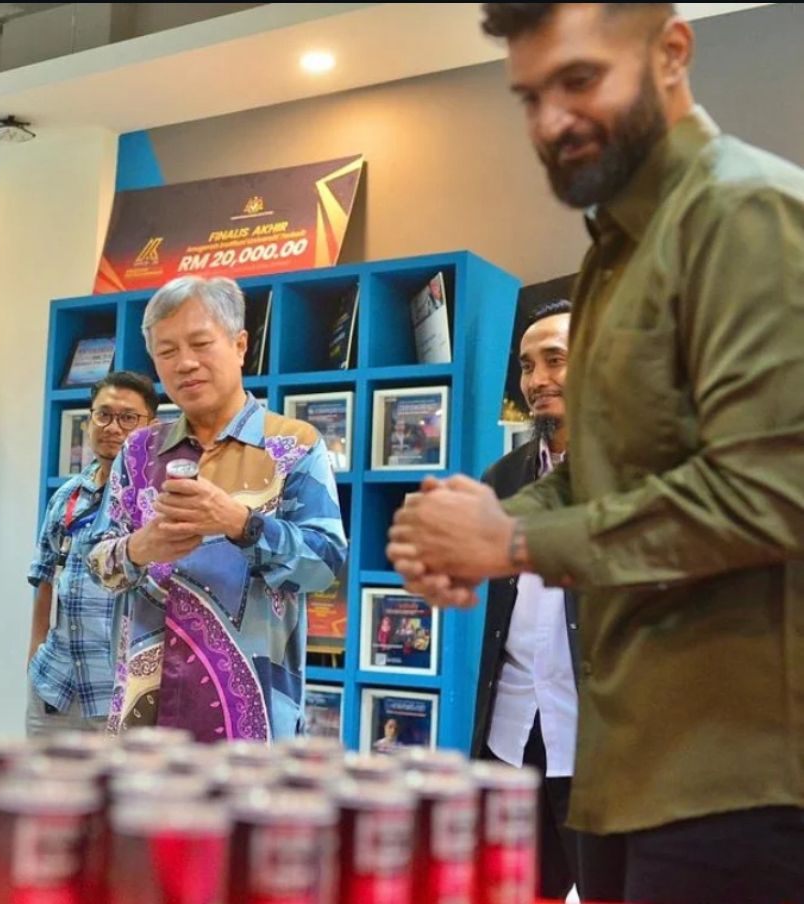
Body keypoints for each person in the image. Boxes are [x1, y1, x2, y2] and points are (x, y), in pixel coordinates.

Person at [388, 4, 804, 901]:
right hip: (628, 768)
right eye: (529, 96)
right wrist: (483, 523)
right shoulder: (616, 254)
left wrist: (514, 546)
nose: (549, 122)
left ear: (672, 52)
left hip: (741, 778)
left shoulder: (744, 213)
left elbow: (771, 493)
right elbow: (599, 468)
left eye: (579, 81)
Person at [86, 276, 347, 741]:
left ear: (240, 344)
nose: (185, 363)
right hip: (144, 717)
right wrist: (142, 547)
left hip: (252, 728)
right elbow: (98, 566)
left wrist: (240, 524)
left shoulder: (294, 446)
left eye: (201, 343)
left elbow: (325, 567)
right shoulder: (139, 452)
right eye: (167, 352)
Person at [470, 299, 614, 900]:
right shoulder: (501, 479)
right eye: (528, 366)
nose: (536, 380)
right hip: (511, 734)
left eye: (555, 359)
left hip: (602, 742)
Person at [27, 371, 159, 735]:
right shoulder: (67, 496)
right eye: (103, 414)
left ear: (153, 426)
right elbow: (44, 583)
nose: (112, 427)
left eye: (128, 418)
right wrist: (33, 658)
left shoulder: (160, 501)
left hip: (121, 695)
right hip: (53, 689)